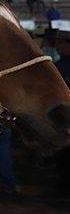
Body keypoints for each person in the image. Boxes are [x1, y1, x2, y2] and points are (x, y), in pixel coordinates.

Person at [47, 28, 70, 197]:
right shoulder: (57, 65)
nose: (57, 46)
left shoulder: (59, 67)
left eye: (61, 43)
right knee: (62, 155)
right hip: (62, 118)